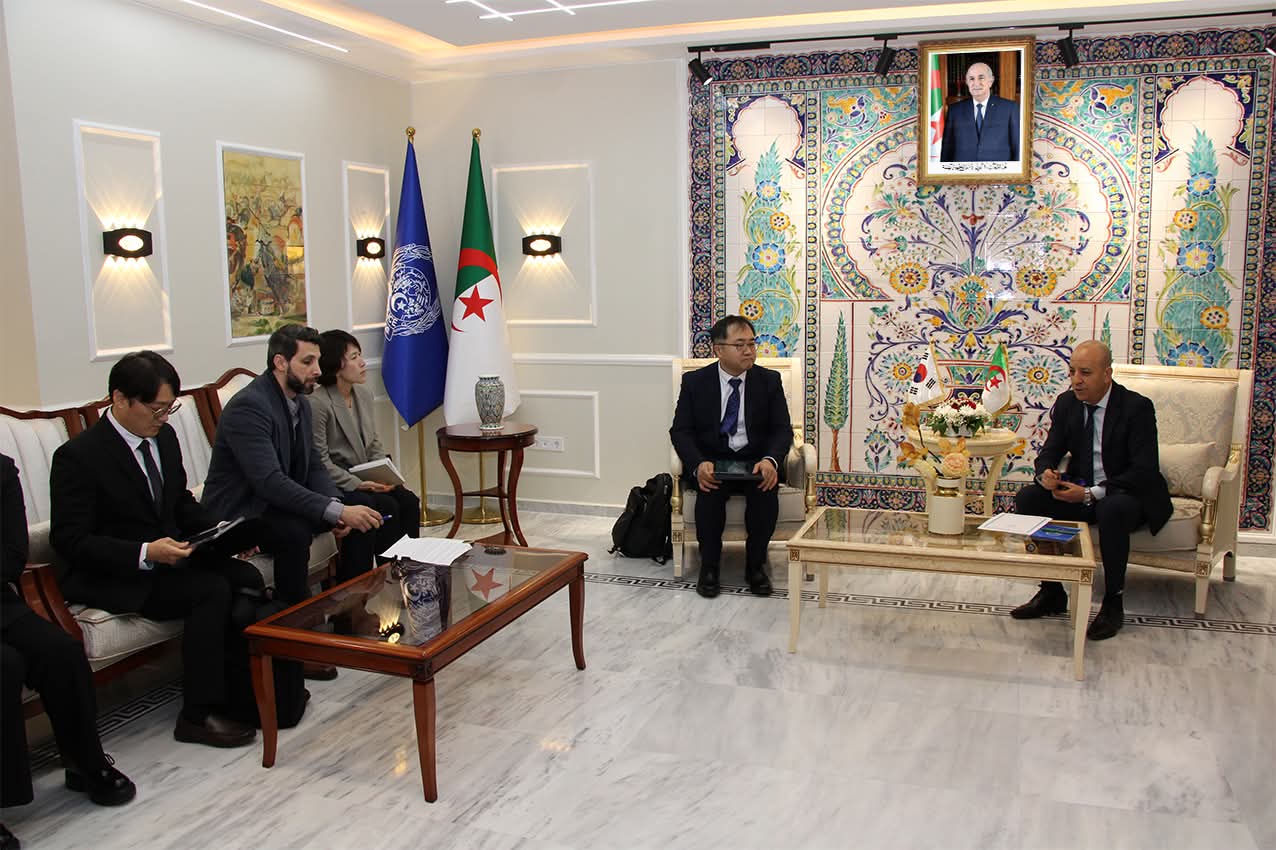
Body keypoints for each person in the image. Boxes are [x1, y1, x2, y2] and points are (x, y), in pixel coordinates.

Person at [48, 352, 257, 748]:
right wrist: (145, 552)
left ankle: (243, 693)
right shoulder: (79, 457)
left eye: (169, 408)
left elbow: (179, 503)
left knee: (246, 577)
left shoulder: (165, 438)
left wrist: (221, 533)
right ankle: (197, 714)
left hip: (168, 557)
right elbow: (70, 540)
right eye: (156, 408)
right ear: (120, 398)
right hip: (115, 573)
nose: (163, 417)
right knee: (209, 590)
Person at [3, 454, 136, 847]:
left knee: (61, 652)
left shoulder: (2, 471)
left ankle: (85, 762)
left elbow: (11, 556)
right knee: (4, 665)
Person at [201, 324, 383, 608]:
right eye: (307, 362)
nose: (317, 370)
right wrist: (336, 511)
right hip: (242, 513)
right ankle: (294, 620)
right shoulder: (249, 406)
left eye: (318, 361)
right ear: (280, 362)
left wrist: (336, 507)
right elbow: (270, 482)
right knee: (295, 532)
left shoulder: (301, 403)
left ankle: (351, 609)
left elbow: (313, 466)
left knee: (362, 513)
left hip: (277, 505)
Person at [1009, 340, 1173, 640]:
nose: (1076, 380)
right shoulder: (1067, 403)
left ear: (1107, 374)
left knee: (1111, 508)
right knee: (1028, 498)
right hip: (1081, 490)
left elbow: (1144, 470)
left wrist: (1090, 494)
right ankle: (1052, 591)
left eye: (1085, 373)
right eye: (1072, 372)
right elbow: (1050, 451)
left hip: (1128, 494)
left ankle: (1113, 602)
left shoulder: (1136, 407)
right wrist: (1045, 474)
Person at [670, 315, 793, 599]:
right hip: (713, 461)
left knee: (765, 492)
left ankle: (756, 567)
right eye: (740, 345)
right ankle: (709, 568)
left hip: (755, 461)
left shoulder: (769, 381)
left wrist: (771, 460)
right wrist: (697, 464)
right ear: (718, 349)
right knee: (709, 494)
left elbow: (782, 429)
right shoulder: (695, 382)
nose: (749, 351)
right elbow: (681, 430)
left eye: (752, 343)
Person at [311, 330, 421, 579]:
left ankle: (410, 571)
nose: (363, 363)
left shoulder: (363, 394)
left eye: (360, 355)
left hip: (367, 477)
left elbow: (373, 444)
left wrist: (385, 474)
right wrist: (359, 483)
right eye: (354, 357)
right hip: (338, 482)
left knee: (407, 501)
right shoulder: (317, 403)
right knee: (385, 505)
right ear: (336, 365)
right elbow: (320, 461)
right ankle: (381, 577)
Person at [940, 62, 1020, 163]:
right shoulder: (954, 111)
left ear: (991, 81)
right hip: (963, 171)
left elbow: (1017, 147)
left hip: (998, 171)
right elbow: (947, 149)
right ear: (967, 82)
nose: (976, 83)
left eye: (981, 78)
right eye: (971, 79)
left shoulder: (1009, 108)